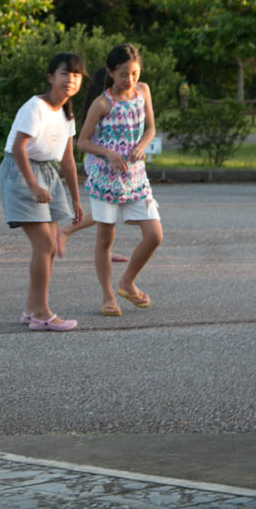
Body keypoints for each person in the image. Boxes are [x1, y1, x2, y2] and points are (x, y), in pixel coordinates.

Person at [0, 52, 86, 331]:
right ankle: (42, 313)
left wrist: (75, 198)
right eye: (64, 73)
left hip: (46, 173)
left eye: (76, 75)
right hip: (21, 171)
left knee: (48, 247)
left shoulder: (66, 113)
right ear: (51, 77)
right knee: (45, 245)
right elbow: (18, 148)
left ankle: (31, 309)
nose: (70, 79)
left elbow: (68, 160)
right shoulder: (35, 107)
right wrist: (33, 185)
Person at [77, 44, 163, 317]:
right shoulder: (102, 103)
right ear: (112, 72)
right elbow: (82, 142)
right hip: (106, 180)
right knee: (105, 240)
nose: (130, 80)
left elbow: (150, 128)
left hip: (136, 177)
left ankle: (126, 282)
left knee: (154, 235)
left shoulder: (144, 91)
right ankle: (108, 297)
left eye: (135, 73)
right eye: (124, 74)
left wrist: (142, 146)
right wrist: (108, 153)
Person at [56, 67, 128, 264]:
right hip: (98, 162)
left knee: (110, 204)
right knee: (109, 205)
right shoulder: (102, 106)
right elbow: (87, 141)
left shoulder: (107, 104)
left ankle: (104, 249)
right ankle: (66, 231)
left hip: (106, 162)